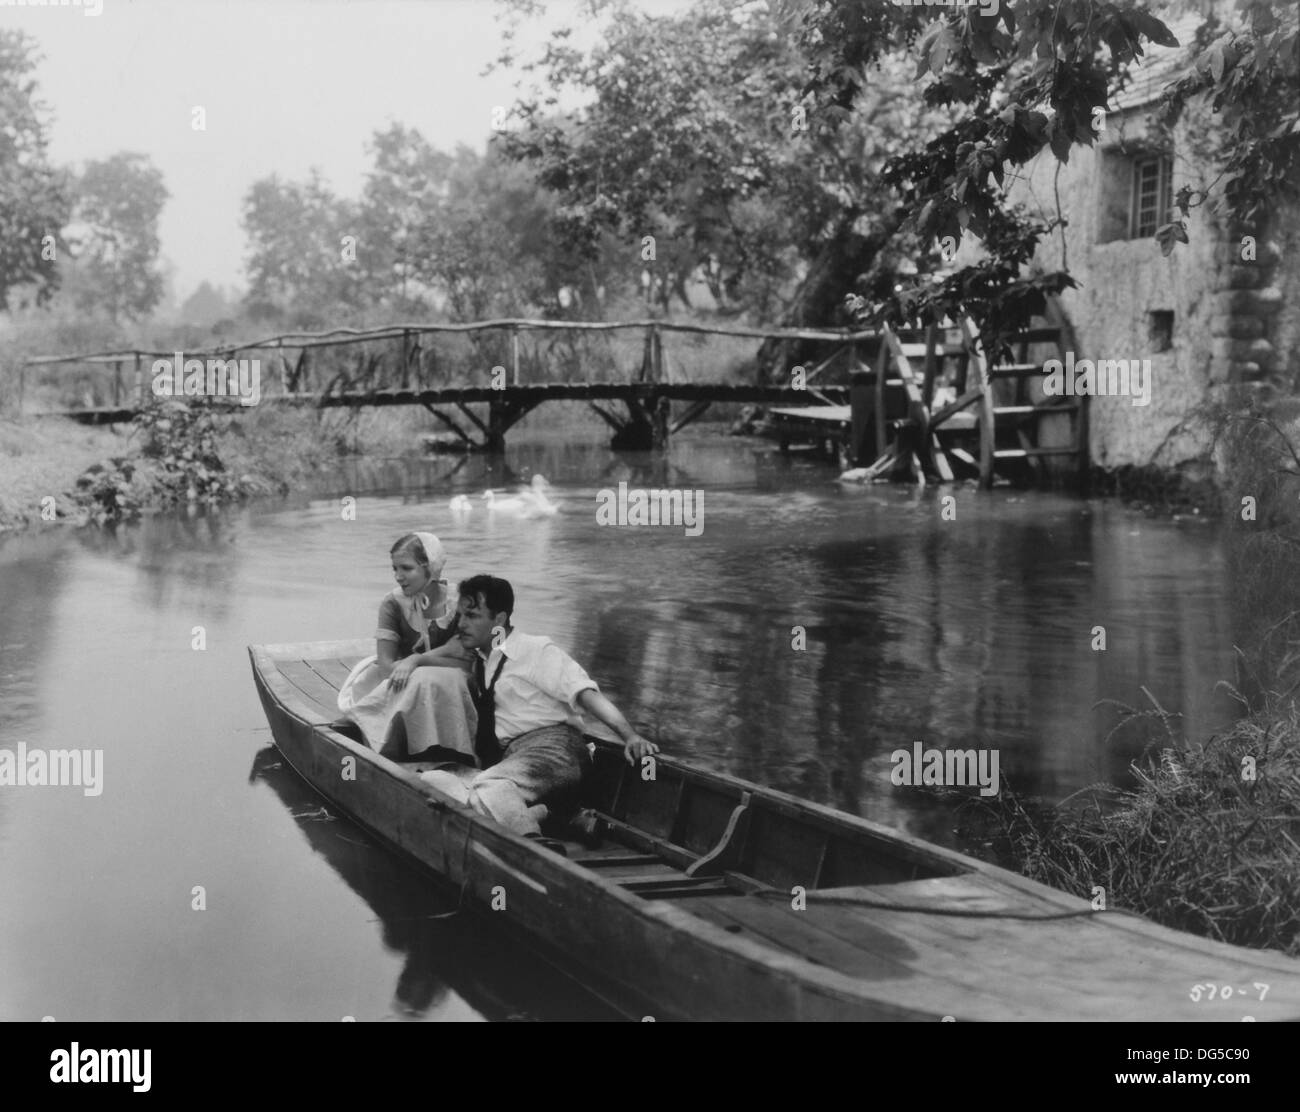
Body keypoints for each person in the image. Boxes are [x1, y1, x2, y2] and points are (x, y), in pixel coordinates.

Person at [421, 574, 658, 850]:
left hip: (555, 752)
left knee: (490, 786)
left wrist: (630, 736)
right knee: (431, 780)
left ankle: (533, 844)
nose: (460, 624)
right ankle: (550, 816)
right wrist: (416, 658)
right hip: (515, 760)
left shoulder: (535, 650)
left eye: (472, 616)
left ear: (498, 620)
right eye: (460, 615)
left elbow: (586, 694)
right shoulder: (484, 658)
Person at [336, 532, 478, 763]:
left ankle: (452, 748)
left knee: (431, 678)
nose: (398, 577)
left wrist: (417, 660)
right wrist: (438, 655)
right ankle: (392, 748)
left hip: (450, 683)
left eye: (406, 568)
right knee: (422, 679)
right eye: (395, 569)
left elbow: (466, 661)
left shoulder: (459, 601)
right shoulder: (392, 603)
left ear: (429, 567)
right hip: (400, 680)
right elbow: (386, 667)